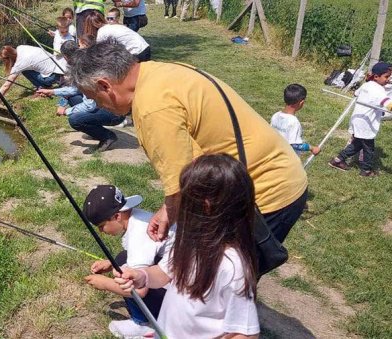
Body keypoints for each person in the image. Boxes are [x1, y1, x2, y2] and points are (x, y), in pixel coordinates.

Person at [70, 40, 307, 248]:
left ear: (104, 85)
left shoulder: (152, 107)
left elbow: (183, 181)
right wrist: (168, 210)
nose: (99, 107)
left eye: (94, 98)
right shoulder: (158, 71)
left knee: (222, 285)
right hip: (279, 172)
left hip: (265, 193)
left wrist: (170, 211)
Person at [114, 154, 260, 338]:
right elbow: (163, 273)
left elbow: (245, 334)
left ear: (205, 206)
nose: (177, 202)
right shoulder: (191, 241)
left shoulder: (232, 266)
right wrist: (141, 276)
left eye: (183, 196)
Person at [82, 185, 174, 337]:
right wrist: (110, 262)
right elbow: (142, 253)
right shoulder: (138, 217)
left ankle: (146, 324)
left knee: (122, 271)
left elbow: (140, 291)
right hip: (175, 277)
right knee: (120, 259)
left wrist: (105, 284)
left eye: (101, 226)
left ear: (117, 216)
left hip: (177, 300)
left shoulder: (139, 234)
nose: (101, 232)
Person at [36, 41, 124, 151]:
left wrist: (66, 111)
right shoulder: (84, 63)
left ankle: (107, 137)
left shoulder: (84, 70)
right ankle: (94, 130)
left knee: (75, 120)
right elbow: (74, 89)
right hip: (108, 106)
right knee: (73, 98)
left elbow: (89, 105)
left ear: (65, 57)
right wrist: (52, 91)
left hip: (115, 112)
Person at [329, 62, 392, 177]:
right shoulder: (379, 90)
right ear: (376, 76)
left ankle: (337, 160)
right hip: (366, 124)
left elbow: (355, 94)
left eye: (389, 77)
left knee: (356, 145)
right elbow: (388, 105)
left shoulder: (366, 85)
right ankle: (366, 170)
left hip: (357, 119)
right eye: (386, 77)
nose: (388, 80)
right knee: (369, 149)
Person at [0, 45, 66, 112]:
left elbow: (6, 86)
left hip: (52, 75)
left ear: (8, 58)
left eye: (3, 61)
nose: (3, 63)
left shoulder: (20, 64)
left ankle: (43, 87)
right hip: (59, 67)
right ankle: (44, 86)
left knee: (25, 71)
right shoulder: (20, 48)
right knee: (26, 70)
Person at [270, 84, 320, 156]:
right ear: (301, 103)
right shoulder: (294, 122)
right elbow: (295, 145)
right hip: (287, 160)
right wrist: (312, 148)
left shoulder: (276, 115)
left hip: (273, 154)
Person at [84, 11, 151, 61]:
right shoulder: (113, 25)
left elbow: (99, 53)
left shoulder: (102, 32)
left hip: (137, 52)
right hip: (145, 47)